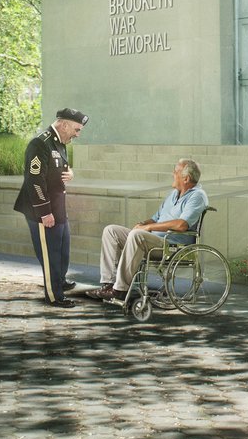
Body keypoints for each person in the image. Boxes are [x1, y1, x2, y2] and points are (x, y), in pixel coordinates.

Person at [91, 159, 208, 300]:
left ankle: (120, 289)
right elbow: (156, 218)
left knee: (137, 235)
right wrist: (143, 223)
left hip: (173, 246)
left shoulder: (197, 196)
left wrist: (148, 227)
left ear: (186, 178)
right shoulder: (173, 194)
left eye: (175, 171)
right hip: (154, 240)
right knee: (111, 231)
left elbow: (181, 225)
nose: (172, 174)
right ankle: (108, 284)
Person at [13, 108, 87, 307]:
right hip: (42, 210)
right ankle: (55, 296)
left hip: (58, 207)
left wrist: (70, 173)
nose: (77, 134)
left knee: (63, 250)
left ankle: (60, 282)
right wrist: (45, 212)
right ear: (64, 125)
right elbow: (35, 180)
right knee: (50, 254)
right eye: (76, 129)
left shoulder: (60, 142)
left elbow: (59, 168)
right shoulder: (40, 143)